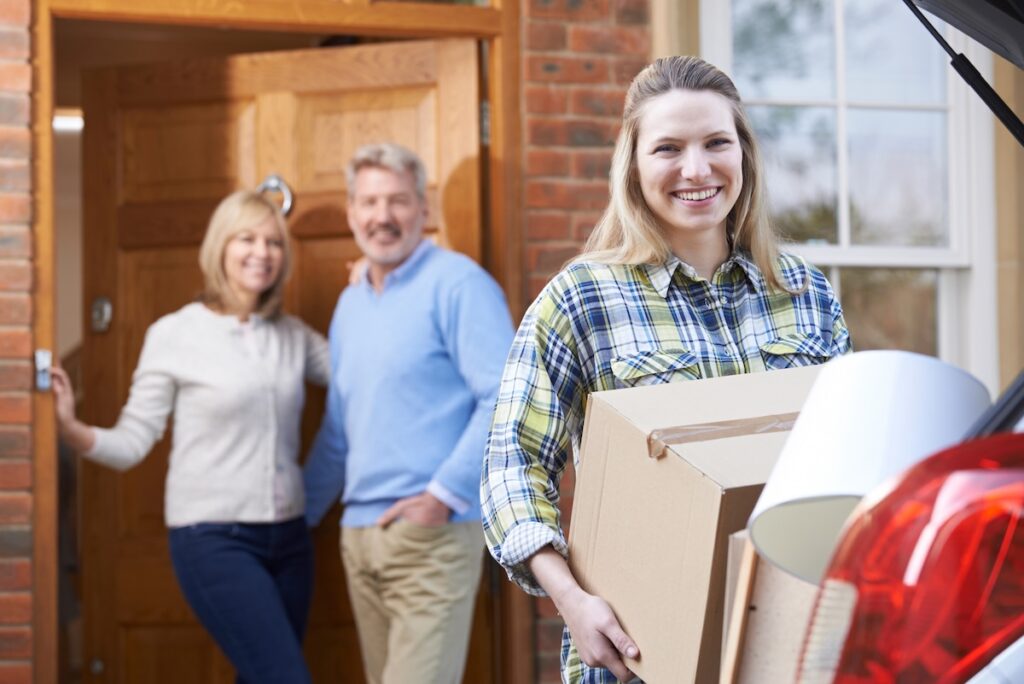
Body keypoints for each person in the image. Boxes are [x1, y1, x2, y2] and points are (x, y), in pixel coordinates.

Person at [481, 55, 852, 683]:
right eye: (668, 148)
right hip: (637, 653)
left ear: (744, 156)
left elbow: (848, 457)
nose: (696, 169)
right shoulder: (583, 298)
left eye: (716, 143)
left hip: (789, 641)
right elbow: (510, 464)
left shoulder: (806, 295)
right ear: (633, 164)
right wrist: (571, 600)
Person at [51, 190, 329, 684]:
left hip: (291, 539)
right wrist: (73, 429)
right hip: (213, 539)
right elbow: (133, 440)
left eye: (273, 242)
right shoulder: (174, 334)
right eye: (247, 238)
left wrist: (371, 293)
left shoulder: (292, 335)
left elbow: (364, 376)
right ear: (220, 247)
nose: (261, 252)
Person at [303, 142, 514, 684]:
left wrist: (442, 497)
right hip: (359, 536)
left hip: (432, 537)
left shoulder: (458, 284)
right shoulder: (351, 305)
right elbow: (339, 427)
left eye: (397, 201)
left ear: (424, 209)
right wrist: (297, 517)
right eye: (369, 202)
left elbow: (504, 396)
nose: (382, 216)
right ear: (351, 213)